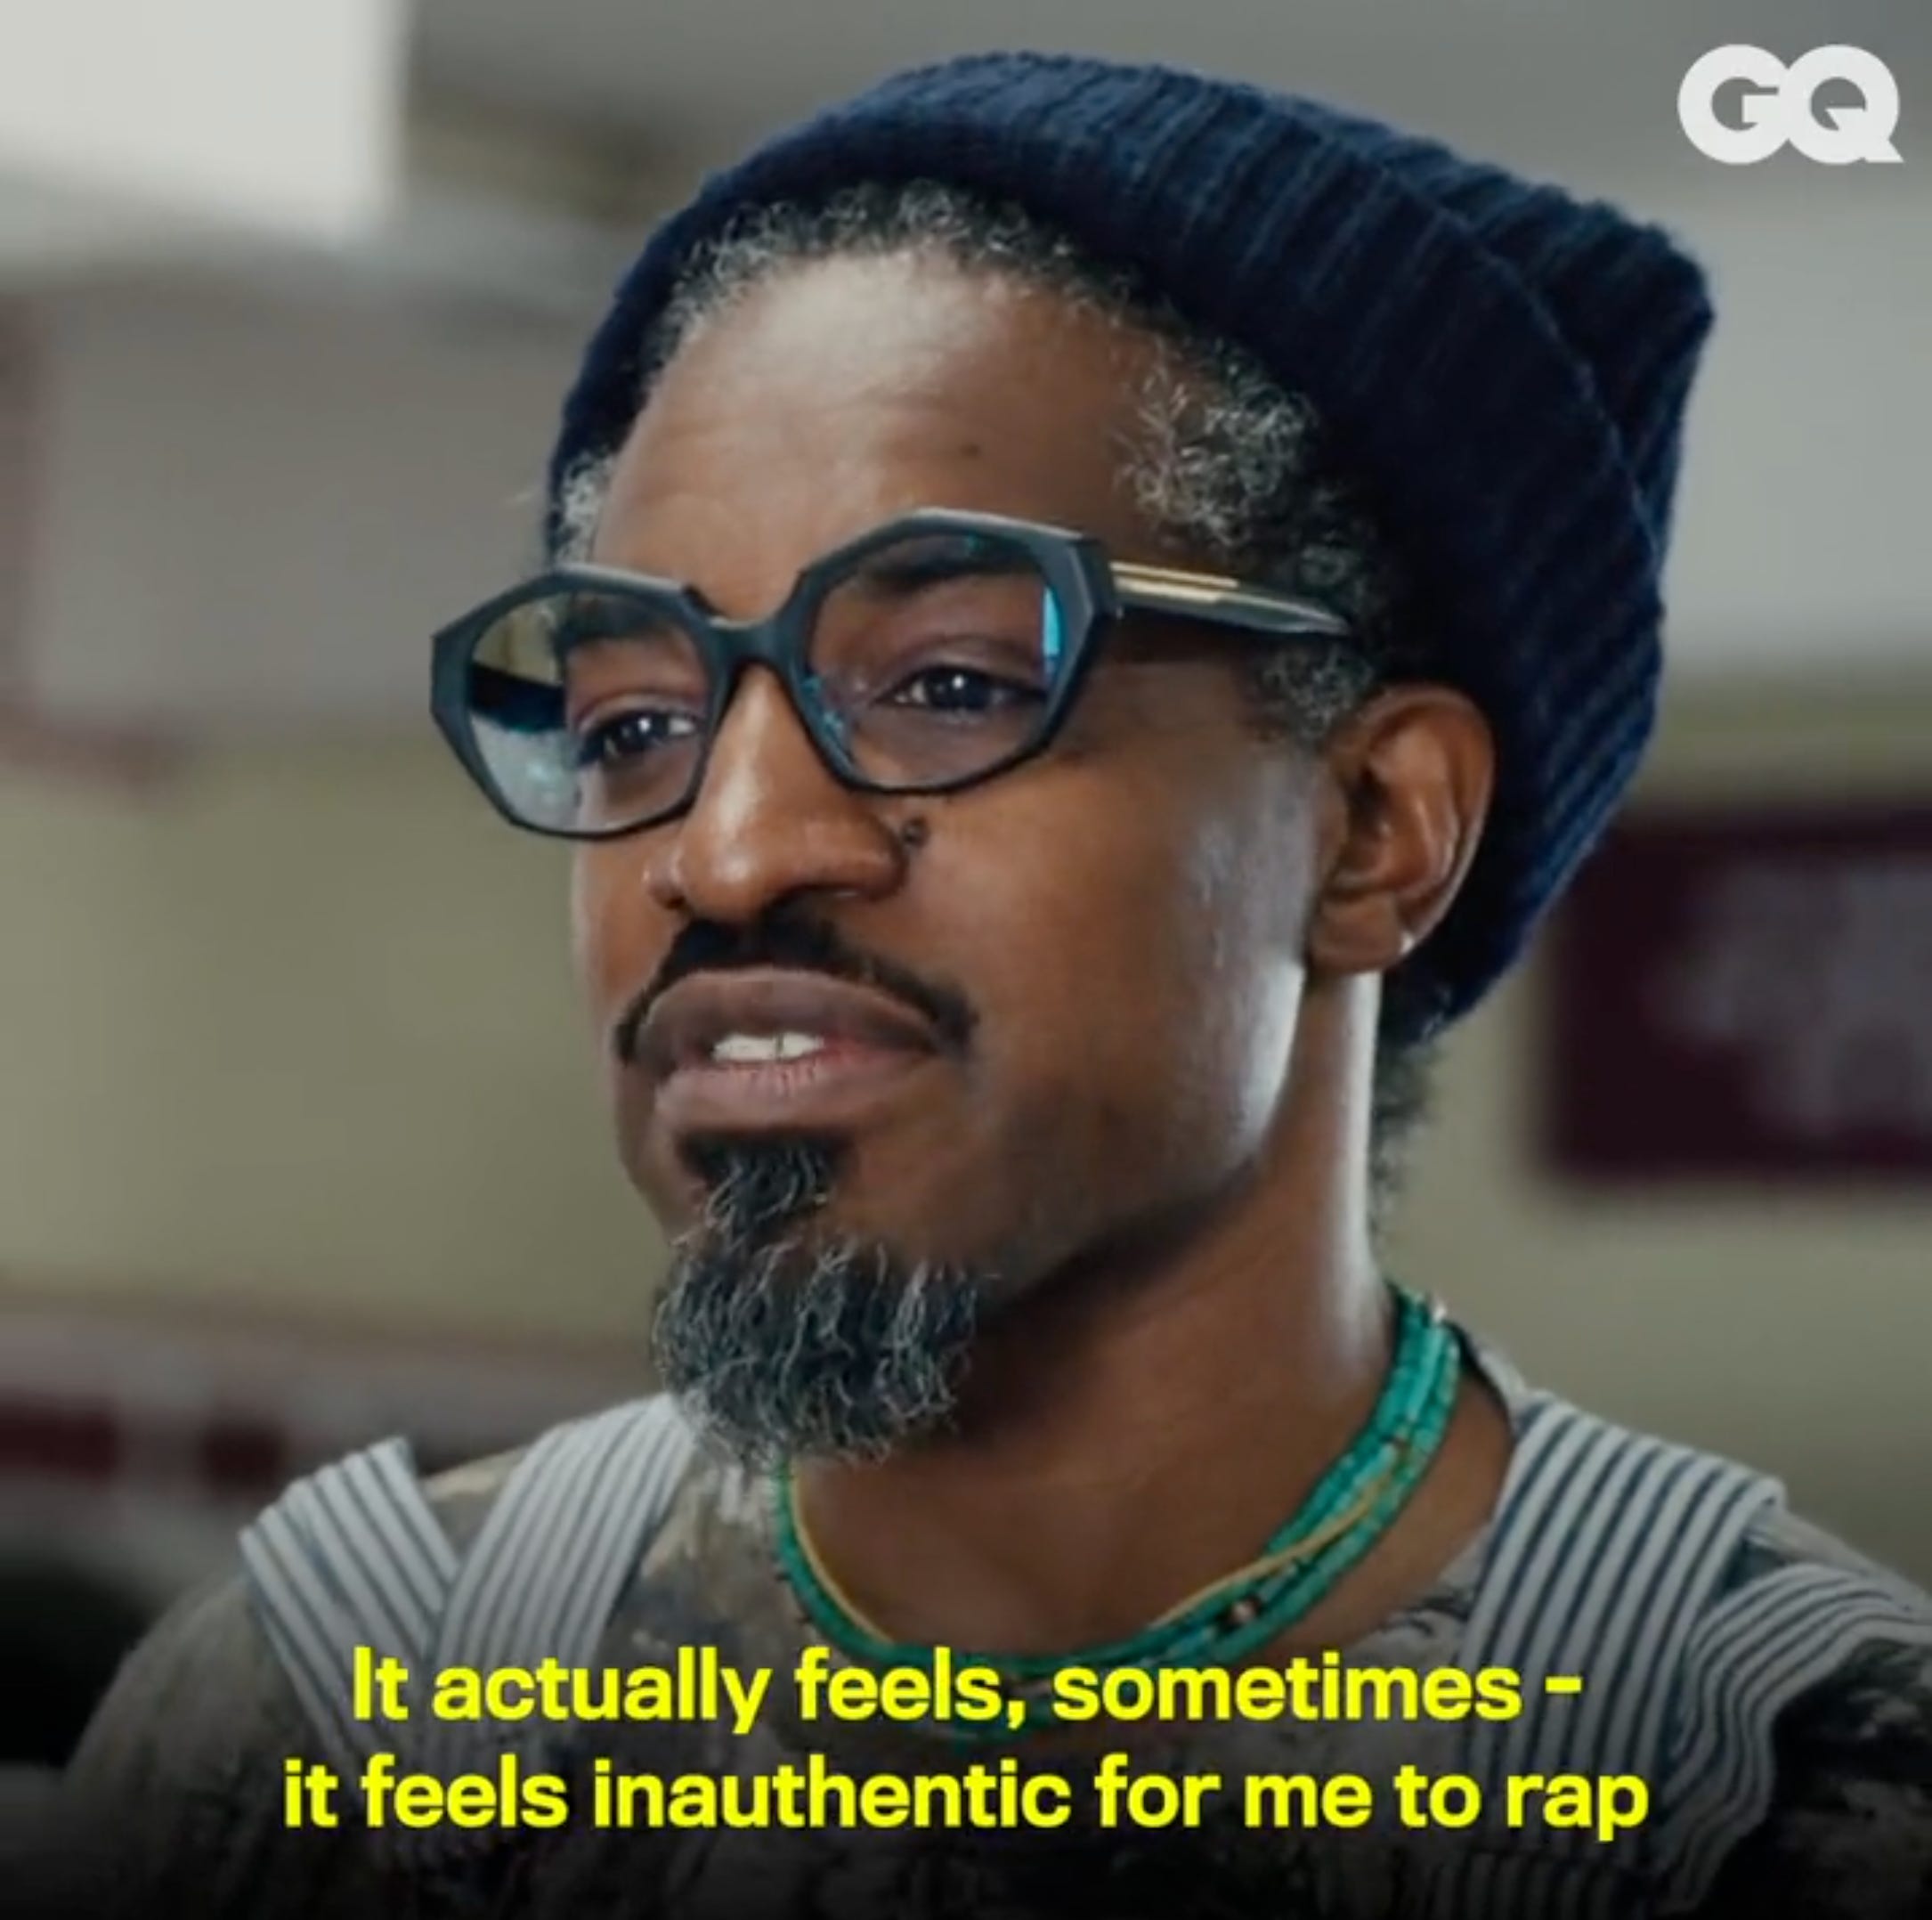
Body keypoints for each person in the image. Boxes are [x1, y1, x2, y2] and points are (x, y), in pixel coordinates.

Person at [57, 50, 1932, 1920]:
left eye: (948, 685)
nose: (725, 850)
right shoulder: (333, 1723)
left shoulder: (1772, 1788)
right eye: (633, 724)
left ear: (1373, 829)